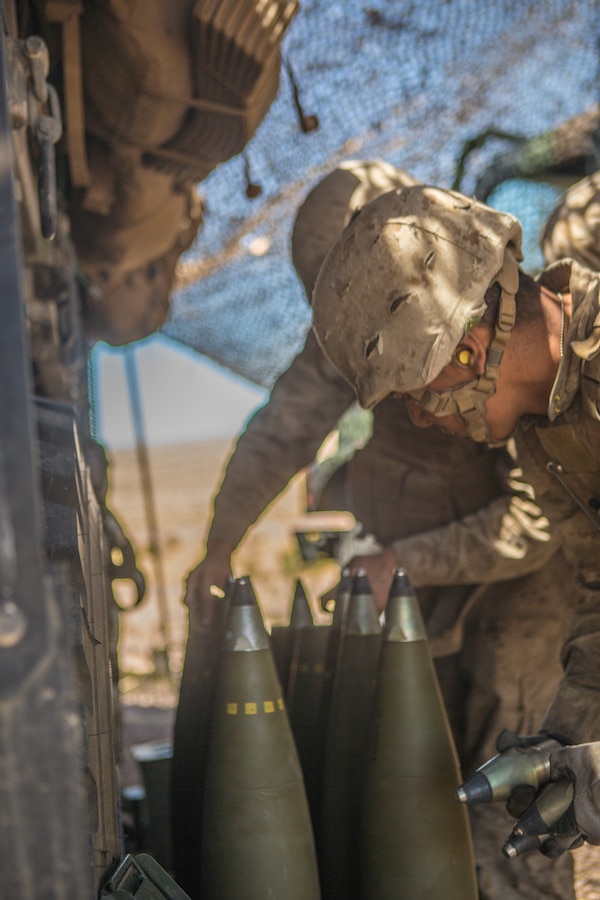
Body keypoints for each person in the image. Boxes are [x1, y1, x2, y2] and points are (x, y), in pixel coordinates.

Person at [185, 160, 579, 898]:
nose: (419, 407)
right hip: (423, 590)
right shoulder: (352, 339)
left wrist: (405, 559)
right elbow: (282, 432)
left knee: (513, 795)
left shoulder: (516, 354)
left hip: (522, 595)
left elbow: (534, 525)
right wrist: (218, 543)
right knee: (431, 783)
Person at [311, 175, 600, 871]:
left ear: (465, 348)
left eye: (414, 395)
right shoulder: (544, 435)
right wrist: (564, 739)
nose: (419, 419)